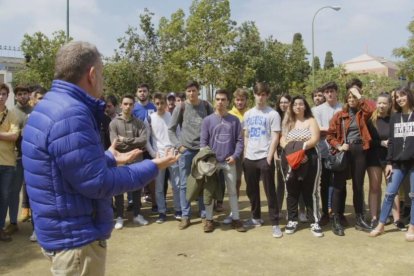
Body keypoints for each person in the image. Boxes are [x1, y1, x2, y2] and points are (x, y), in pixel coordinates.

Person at [22, 41, 177, 274]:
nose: (103, 81)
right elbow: (98, 183)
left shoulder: (49, 107)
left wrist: (108, 158)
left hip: (61, 231)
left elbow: (67, 168)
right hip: (76, 241)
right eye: (102, 73)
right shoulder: (71, 114)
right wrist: (152, 166)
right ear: (92, 75)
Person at [327, 87, 374, 236]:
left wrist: (360, 95)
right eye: (350, 98)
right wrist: (339, 146)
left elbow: (371, 109)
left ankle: (360, 218)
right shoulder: (339, 116)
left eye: (354, 98)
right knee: (339, 186)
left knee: (358, 186)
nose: (352, 100)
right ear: (346, 100)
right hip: (345, 151)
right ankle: (335, 219)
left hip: (360, 149)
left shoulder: (362, 114)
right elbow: (330, 136)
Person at [369, 86, 414, 241]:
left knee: (413, 195)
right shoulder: (396, 117)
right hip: (397, 163)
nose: (400, 99)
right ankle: (381, 225)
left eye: (403, 96)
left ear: (409, 96)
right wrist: (389, 162)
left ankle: (412, 227)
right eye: (398, 97)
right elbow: (392, 143)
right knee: (389, 193)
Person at [168, 80, 214, 229]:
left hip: (202, 151)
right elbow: (171, 129)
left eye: (194, 90)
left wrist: (209, 147)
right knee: (183, 184)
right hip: (186, 150)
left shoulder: (206, 106)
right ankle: (185, 216)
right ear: (186, 92)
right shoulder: (180, 107)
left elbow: (213, 125)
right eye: (188, 91)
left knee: (202, 182)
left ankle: (203, 215)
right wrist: (178, 145)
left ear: (198, 91)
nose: (191, 93)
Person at [200, 89, 245, 232]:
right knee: (209, 191)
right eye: (218, 99)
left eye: (223, 99)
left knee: (232, 191)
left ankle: (236, 219)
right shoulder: (207, 120)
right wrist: (207, 158)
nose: (220, 102)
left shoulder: (234, 120)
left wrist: (235, 156)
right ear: (214, 101)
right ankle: (209, 220)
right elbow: (203, 142)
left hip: (229, 161)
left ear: (228, 101)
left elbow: (239, 140)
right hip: (212, 162)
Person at [243, 82, 282, 238]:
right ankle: (256, 217)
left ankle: (275, 223)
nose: (261, 97)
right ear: (254, 94)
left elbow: (275, 137)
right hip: (250, 157)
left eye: (264, 94)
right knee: (251, 190)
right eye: (258, 94)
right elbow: (246, 135)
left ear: (267, 96)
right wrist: (245, 154)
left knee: (269, 191)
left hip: (264, 157)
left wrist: (269, 156)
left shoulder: (272, 114)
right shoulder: (248, 114)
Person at [280, 96, 323, 237]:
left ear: (305, 106)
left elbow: (315, 138)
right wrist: (293, 151)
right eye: (295, 104)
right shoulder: (288, 122)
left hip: (309, 158)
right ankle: (292, 219)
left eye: (301, 104)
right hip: (289, 158)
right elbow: (282, 139)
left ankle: (314, 221)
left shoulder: (311, 121)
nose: (298, 106)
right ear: (292, 107)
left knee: (310, 190)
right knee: (291, 189)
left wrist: (302, 149)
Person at [366, 92, 406, 230]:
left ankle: (396, 219)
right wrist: (381, 142)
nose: (381, 105)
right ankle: (374, 218)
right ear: (376, 103)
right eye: (379, 103)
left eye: (385, 103)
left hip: (391, 158)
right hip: (374, 157)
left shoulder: (394, 119)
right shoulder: (371, 119)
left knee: (392, 189)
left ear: (390, 104)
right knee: (374, 188)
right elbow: (367, 141)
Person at [110, 95, 149, 229]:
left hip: (136, 159)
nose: (128, 106)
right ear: (121, 105)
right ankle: (120, 217)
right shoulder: (114, 123)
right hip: (120, 159)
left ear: (133, 106)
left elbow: (143, 140)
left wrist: (126, 140)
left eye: (130, 104)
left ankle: (137, 215)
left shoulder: (139, 123)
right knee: (119, 189)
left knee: (137, 187)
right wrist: (133, 143)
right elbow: (115, 142)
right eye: (125, 104)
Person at [147, 92, 181, 223]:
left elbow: (178, 134)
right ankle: (162, 212)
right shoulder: (150, 118)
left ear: (166, 103)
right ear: (154, 103)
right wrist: (153, 153)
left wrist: (175, 149)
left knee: (176, 185)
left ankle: (178, 209)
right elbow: (146, 139)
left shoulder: (172, 117)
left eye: (162, 103)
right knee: (159, 186)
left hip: (172, 155)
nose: (160, 106)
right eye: (157, 103)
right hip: (159, 156)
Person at [312, 81, 343, 226]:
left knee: (340, 184)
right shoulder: (317, 110)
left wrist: (327, 131)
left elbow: (345, 130)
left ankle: (339, 213)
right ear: (324, 94)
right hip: (323, 152)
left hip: (340, 152)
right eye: (327, 92)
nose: (330, 94)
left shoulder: (342, 108)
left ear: (337, 92)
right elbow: (317, 129)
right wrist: (333, 131)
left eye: (332, 91)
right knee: (324, 184)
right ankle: (325, 212)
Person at [4, 85, 32, 238]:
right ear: (15, 97)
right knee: (13, 192)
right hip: (16, 157)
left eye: (25, 94)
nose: (22, 96)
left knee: (34, 190)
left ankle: (36, 222)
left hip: (33, 157)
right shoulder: (12, 113)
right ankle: (13, 222)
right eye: (20, 94)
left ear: (29, 95)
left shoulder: (34, 112)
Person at [222, 88, 249, 224]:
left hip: (251, 153)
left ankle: (255, 214)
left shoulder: (251, 114)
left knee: (251, 184)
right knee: (235, 183)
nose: (239, 102)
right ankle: (234, 211)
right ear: (234, 100)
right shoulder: (229, 114)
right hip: (236, 154)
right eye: (237, 100)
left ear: (246, 101)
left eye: (242, 100)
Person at [133, 83, 157, 211]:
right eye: (140, 91)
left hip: (151, 146)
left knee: (152, 174)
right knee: (137, 174)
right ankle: (137, 204)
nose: (142, 93)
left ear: (148, 92)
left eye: (144, 91)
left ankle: (154, 203)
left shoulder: (154, 107)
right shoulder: (133, 108)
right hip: (137, 147)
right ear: (137, 93)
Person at [0, 83, 19, 242]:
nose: (1, 96)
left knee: (4, 197)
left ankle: (0, 229)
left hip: (7, 163)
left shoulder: (11, 115)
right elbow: (9, 135)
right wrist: (4, 134)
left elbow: (14, 136)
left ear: (7, 96)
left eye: (4, 94)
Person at [275, 94, 292, 221]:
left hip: (293, 153)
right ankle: (279, 209)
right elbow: (273, 139)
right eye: (281, 102)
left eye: (286, 102)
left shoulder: (295, 117)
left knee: (292, 182)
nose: (283, 104)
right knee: (280, 182)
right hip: (279, 154)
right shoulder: (276, 117)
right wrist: (275, 154)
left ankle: (293, 210)